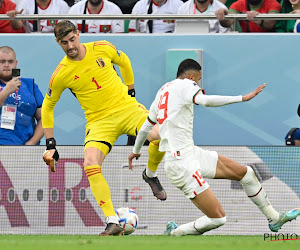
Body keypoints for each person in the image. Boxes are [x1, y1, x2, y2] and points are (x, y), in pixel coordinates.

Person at [128, 58, 300, 236]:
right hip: (181, 164)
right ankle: (175, 233)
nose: (199, 83)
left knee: (246, 173)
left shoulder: (163, 90)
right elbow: (206, 101)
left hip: (190, 154)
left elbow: (147, 126)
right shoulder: (187, 85)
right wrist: (243, 98)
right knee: (218, 218)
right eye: (199, 79)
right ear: (192, 76)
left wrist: (135, 151)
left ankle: (274, 218)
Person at [41, 20, 166, 236]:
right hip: (99, 122)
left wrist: (131, 91)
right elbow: (47, 107)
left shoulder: (102, 48)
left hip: (127, 110)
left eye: (72, 39)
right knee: (90, 162)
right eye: (64, 43)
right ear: (57, 42)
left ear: (78, 34)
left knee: (161, 135)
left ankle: (150, 174)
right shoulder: (61, 74)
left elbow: (124, 61)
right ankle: (111, 220)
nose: (70, 46)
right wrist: (50, 144)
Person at [0, 46, 44, 145]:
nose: (6, 65)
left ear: (16, 63)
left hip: (25, 149)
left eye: (10, 62)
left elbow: (44, 118)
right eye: (2, 62)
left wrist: (31, 143)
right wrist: (6, 91)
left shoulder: (30, 86)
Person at [215, 0, 281, 32]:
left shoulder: (274, 4)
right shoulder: (238, 4)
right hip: (245, 42)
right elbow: (228, 22)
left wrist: (260, 20)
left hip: (269, 41)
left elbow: (270, 23)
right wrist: (223, 15)